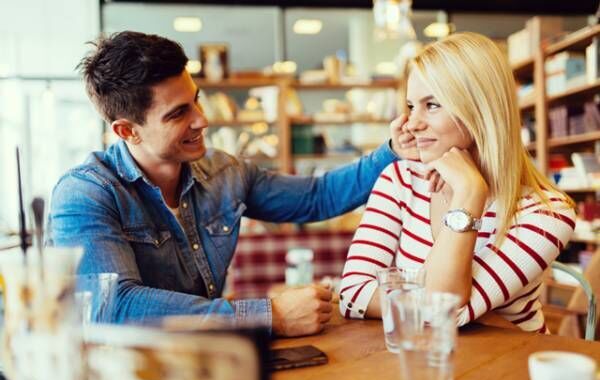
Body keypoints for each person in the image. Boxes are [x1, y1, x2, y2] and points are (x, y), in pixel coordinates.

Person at [47, 31, 413, 337]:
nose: (202, 121)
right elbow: (113, 307)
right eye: (178, 114)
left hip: (207, 367)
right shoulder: (85, 194)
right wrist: (268, 316)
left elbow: (318, 197)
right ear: (127, 131)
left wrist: (394, 149)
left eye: (196, 101)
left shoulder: (225, 173)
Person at [339, 32, 576, 333]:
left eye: (432, 105)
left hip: (508, 370)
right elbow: (352, 295)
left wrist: (468, 193)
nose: (412, 123)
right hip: (421, 361)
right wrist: (438, 307)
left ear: (480, 110)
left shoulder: (547, 214)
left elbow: (444, 309)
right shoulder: (400, 180)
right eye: (411, 106)